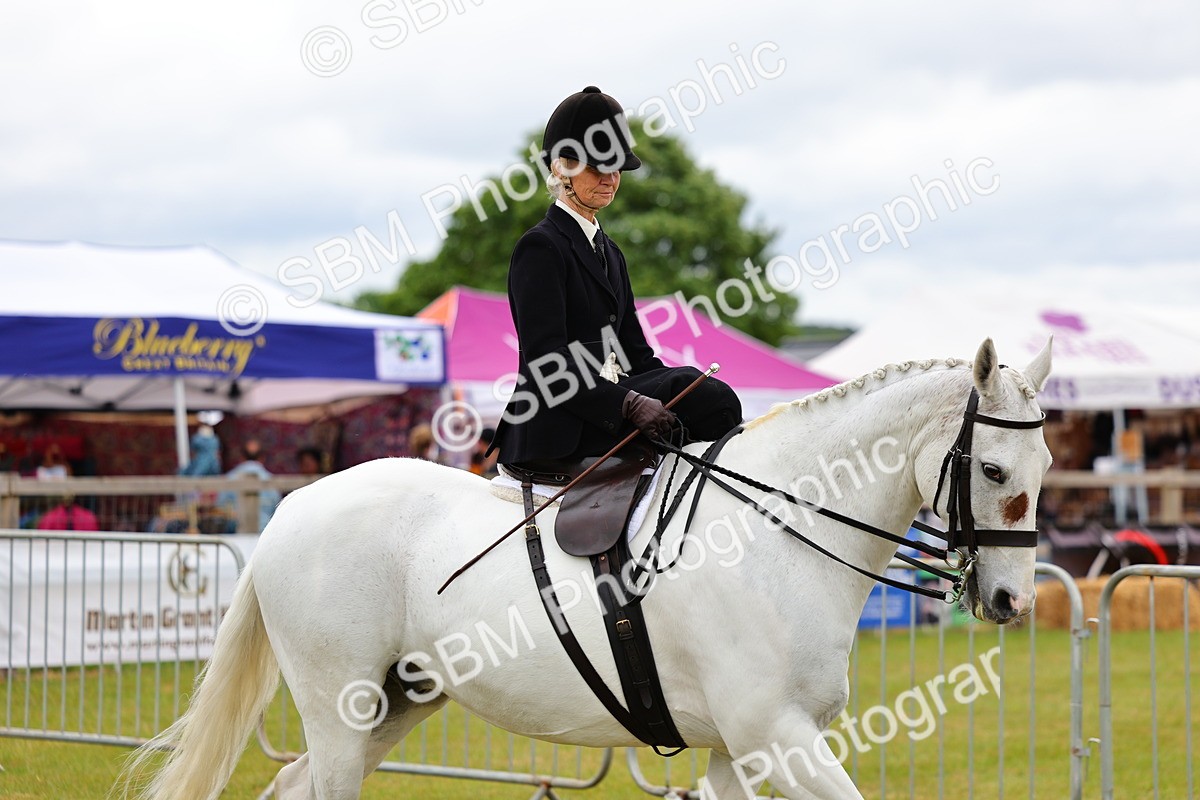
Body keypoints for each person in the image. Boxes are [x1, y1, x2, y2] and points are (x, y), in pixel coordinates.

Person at [489, 86, 742, 474]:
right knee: (704, 395)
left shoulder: (610, 251)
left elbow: (636, 355)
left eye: (616, 167)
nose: (610, 178)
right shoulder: (540, 247)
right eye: (597, 167)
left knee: (702, 394)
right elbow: (546, 362)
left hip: (605, 409)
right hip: (557, 420)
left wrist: (664, 395)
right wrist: (627, 404)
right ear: (561, 168)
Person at [221, 439, 281, 532]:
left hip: (235, 538)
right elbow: (277, 512)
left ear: (242, 457)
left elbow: (220, 509)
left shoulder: (229, 479)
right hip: (264, 535)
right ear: (262, 458)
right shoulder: (271, 482)